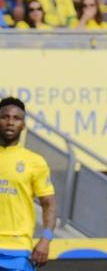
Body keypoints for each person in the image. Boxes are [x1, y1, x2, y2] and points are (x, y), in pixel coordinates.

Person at [0, 97, 56, 271]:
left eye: (16, 118)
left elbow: (49, 204)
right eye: (5, 117)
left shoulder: (34, 161)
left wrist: (45, 239)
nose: (10, 122)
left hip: (18, 251)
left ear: (23, 125)